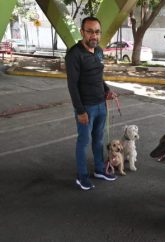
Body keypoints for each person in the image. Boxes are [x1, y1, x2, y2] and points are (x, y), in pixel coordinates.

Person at [65, 16, 117, 190]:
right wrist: (80, 111)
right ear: (82, 32)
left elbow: (97, 77)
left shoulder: (100, 51)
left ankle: (100, 170)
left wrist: (107, 90)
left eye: (97, 32)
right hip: (86, 107)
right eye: (90, 32)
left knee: (99, 140)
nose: (93, 35)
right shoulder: (74, 54)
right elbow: (72, 85)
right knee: (84, 141)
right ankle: (82, 176)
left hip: (101, 104)